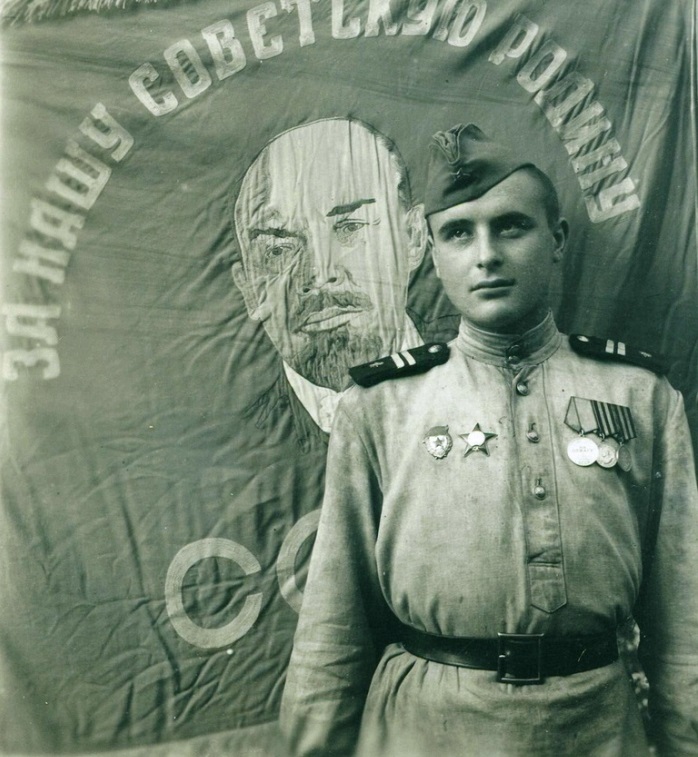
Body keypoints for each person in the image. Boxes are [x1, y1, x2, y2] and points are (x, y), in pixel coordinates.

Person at [279, 123, 698, 756]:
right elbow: (332, 629)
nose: (486, 255)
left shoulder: (641, 395)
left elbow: (685, 623)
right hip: (428, 731)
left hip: (598, 729)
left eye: (511, 227)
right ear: (431, 251)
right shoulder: (380, 405)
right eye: (458, 233)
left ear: (557, 240)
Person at [232, 118, 428, 436]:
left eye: (350, 227)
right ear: (250, 289)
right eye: (278, 249)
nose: (320, 273)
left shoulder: (493, 378)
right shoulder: (234, 443)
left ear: (413, 238)